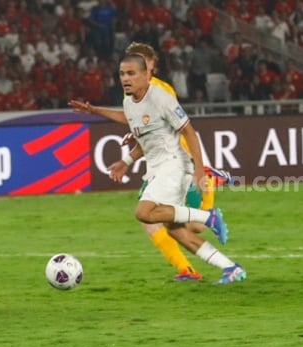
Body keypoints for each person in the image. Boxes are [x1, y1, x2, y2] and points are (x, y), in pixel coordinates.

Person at [69, 54, 246, 285]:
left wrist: (200, 170)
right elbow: (139, 129)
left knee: (144, 213)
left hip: (174, 164)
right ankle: (231, 268)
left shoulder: (162, 98)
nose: (126, 78)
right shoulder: (129, 102)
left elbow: (189, 131)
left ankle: (209, 216)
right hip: (156, 168)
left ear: (146, 74)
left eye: (131, 73)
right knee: (176, 230)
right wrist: (97, 114)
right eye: (122, 74)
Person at [105, 42, 234, 282]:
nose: (130, 73)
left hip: (177, 165)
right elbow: (146, 127)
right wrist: (130, 149)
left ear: (151, 66)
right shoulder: (133, 94)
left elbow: (176, 128)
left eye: (141, 63)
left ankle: (210, 186)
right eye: (128, 68)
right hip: (161, 165)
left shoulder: (160, 91)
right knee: (165, 222)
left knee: (183, 225)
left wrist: (196, 168)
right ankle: (190, 269)